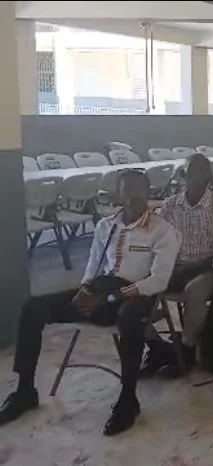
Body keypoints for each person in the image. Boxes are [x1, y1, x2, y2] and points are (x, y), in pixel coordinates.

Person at [0, 170, 180, 436]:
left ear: (148, 191)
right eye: (127, 189)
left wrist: (110, 297)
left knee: (129, 317)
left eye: (139, 189)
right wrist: (85, 290)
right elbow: (93, 267)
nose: (134, 195)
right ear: (117, 194)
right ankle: (25, 390)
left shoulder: (163, 231)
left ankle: (128, 399)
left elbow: (159, 280)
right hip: (101, 293)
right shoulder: (105, 226)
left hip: (138, 295)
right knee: (33, 307)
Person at [145, 154, 213, 377]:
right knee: (133, 285)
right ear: (183, 176)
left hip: (212, 269)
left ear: (209, 177)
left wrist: (186, 269)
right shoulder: (170, 205)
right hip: (175, 266)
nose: (195, 178)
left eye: (200, 172)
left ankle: (186, 352)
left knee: (194, 290)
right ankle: (157, 348)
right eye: (189, 173)